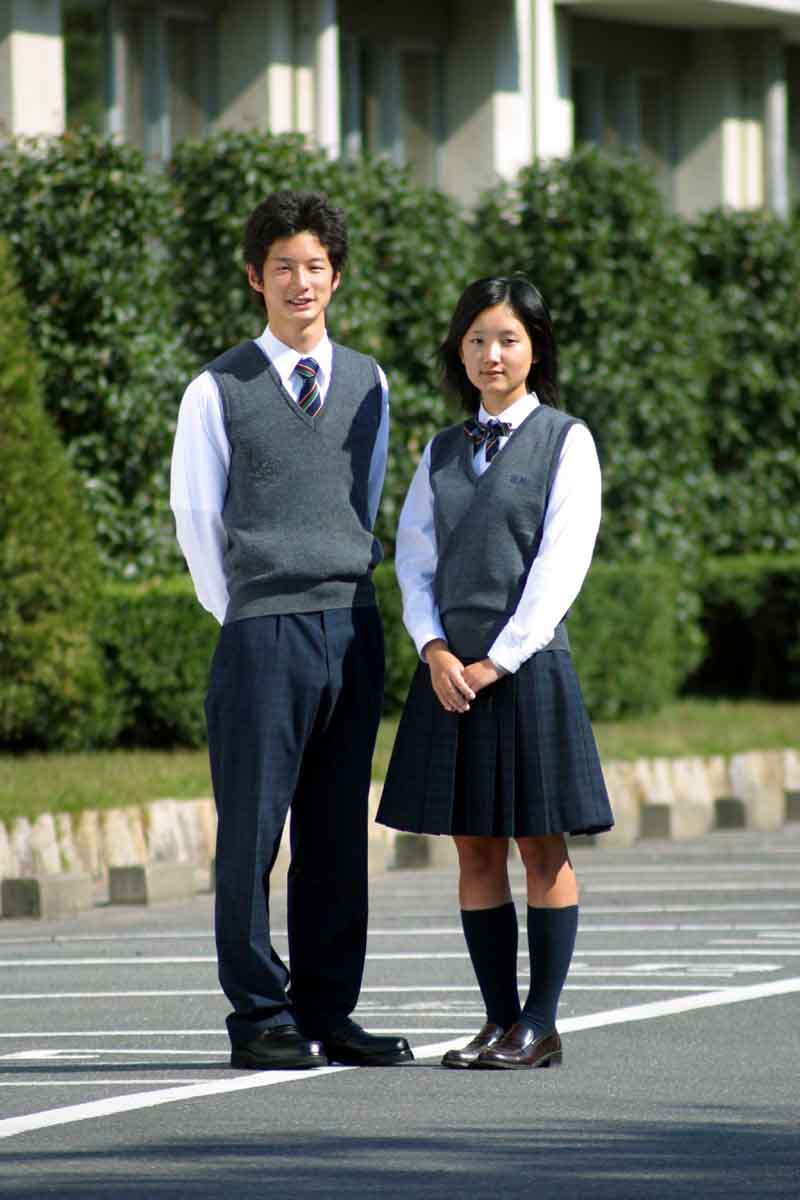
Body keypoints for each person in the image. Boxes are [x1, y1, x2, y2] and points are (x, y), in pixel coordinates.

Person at [170, 190, 412, 1071]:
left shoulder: (369, 381)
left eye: (315, 267)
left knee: (337, 831)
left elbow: (365, 499)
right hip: (262, 630)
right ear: (254, 279)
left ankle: (328, 1009)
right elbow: (196, 515)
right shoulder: (217, 387)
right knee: (253, 831)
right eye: (283, 268)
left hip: (352, 625)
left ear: (336, 278)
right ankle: (260, 1017)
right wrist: (241, 612)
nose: (300, 282)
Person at [377, 275, 613, 1070]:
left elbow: (561, 564)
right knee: (474, 848)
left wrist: (496, 660)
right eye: (477, 339)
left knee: (540, 847)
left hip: (526, 669)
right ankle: (499, 1019)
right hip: (449, 675)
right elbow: (414, 560)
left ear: (534, 349)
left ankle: (541, 1024)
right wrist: (435, 651)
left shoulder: (566, 440)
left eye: (508, 339)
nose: (491, 354)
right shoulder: (440, 449)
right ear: (460, 350)